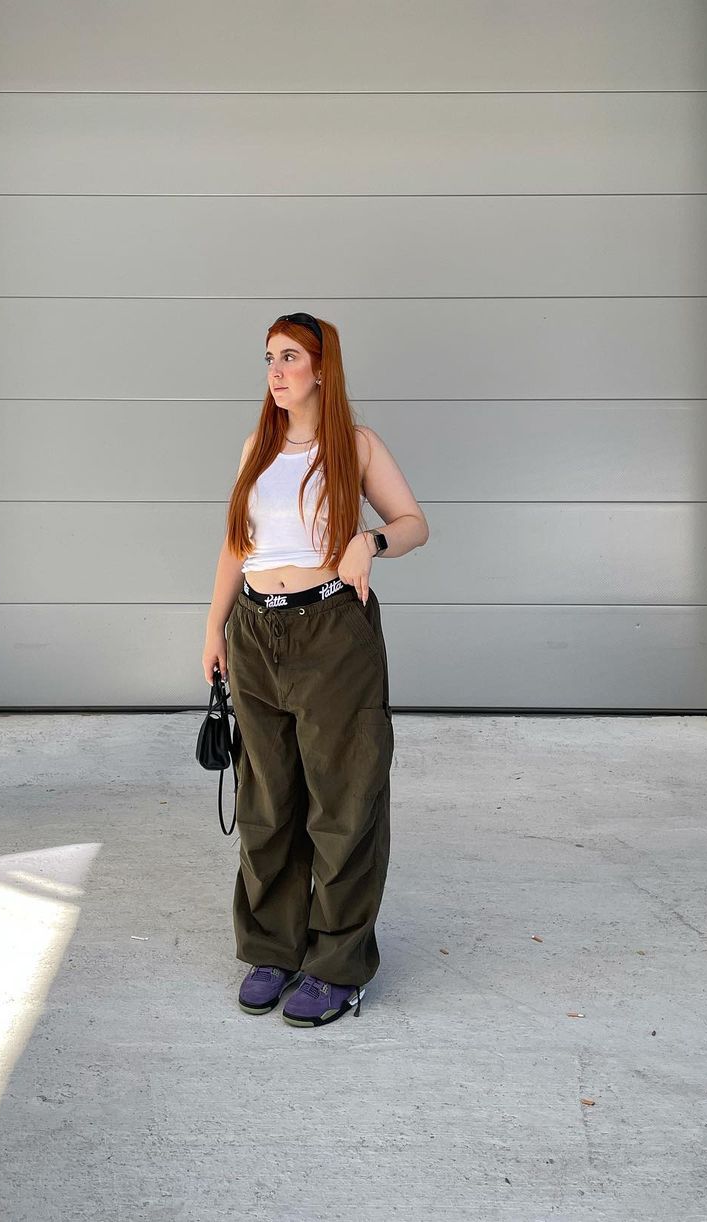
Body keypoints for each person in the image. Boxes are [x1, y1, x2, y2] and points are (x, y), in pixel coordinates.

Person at [202, 312, 429, 1027]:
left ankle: (336, 965)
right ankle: (273, 948)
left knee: (343, 800)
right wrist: (214, 627)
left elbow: (415, 523)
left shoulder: (355, 446)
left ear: (322, 368)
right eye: (269, 358)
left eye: (290, 357)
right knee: (266, 801)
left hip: (332, 631)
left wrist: (371, 541)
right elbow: (235, 545)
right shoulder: (257, 448)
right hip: (254, 632)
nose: (275, 371)